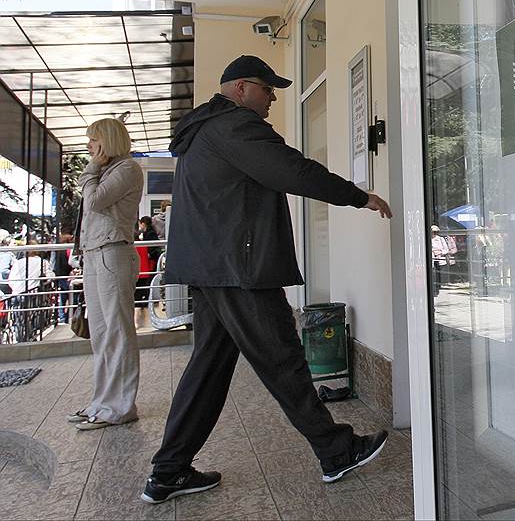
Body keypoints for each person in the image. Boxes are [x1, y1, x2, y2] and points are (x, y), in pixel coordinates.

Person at [142, 55, 393, 504]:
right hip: (239, 269)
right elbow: (293, 170)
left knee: (207, 369)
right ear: (241, 88)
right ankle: (335, 451)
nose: (273, 98)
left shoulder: (204, 129)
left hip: (211, 268)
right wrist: (358, 196)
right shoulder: (236, 126)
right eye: (267, 88)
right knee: (283, 360)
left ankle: (169, 472)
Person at [67, 118, 144, 432]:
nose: (89, 146)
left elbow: (95, 201)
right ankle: (101, 402)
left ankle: (120, 407)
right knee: (100, 333)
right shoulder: (107, 170)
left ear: (108, 140)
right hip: (95, 254)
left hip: (113, 252)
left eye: (93, 139)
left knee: (117, 332)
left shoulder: (127, 169)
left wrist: (90, 169)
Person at [134, 217, 161, 329]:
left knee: (136, 297)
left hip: (137, 273)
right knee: (140, 295)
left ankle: (136, 321)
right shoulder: (143, 244)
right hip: (144, 273)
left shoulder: (135, 245)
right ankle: (138, 321)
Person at [51, 229, 75, 323]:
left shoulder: (58, 248)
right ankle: (68, 316)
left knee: (62, 296)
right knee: (71, 296)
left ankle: (62, 317)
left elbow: (53, 262)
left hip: (60, 274)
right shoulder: (68, 249)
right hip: (66, 274)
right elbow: (69, 263)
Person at [430, 225, 448, 296]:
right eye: (432, 232)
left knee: (438, 275)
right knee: (433, 275)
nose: (434, 233)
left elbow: (446, 250)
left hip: (439, 259)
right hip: (432, 258)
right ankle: (434, 290)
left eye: (435, 232)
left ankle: (437, 289)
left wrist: (440, 252)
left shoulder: (441, 239)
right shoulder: (429, 239)